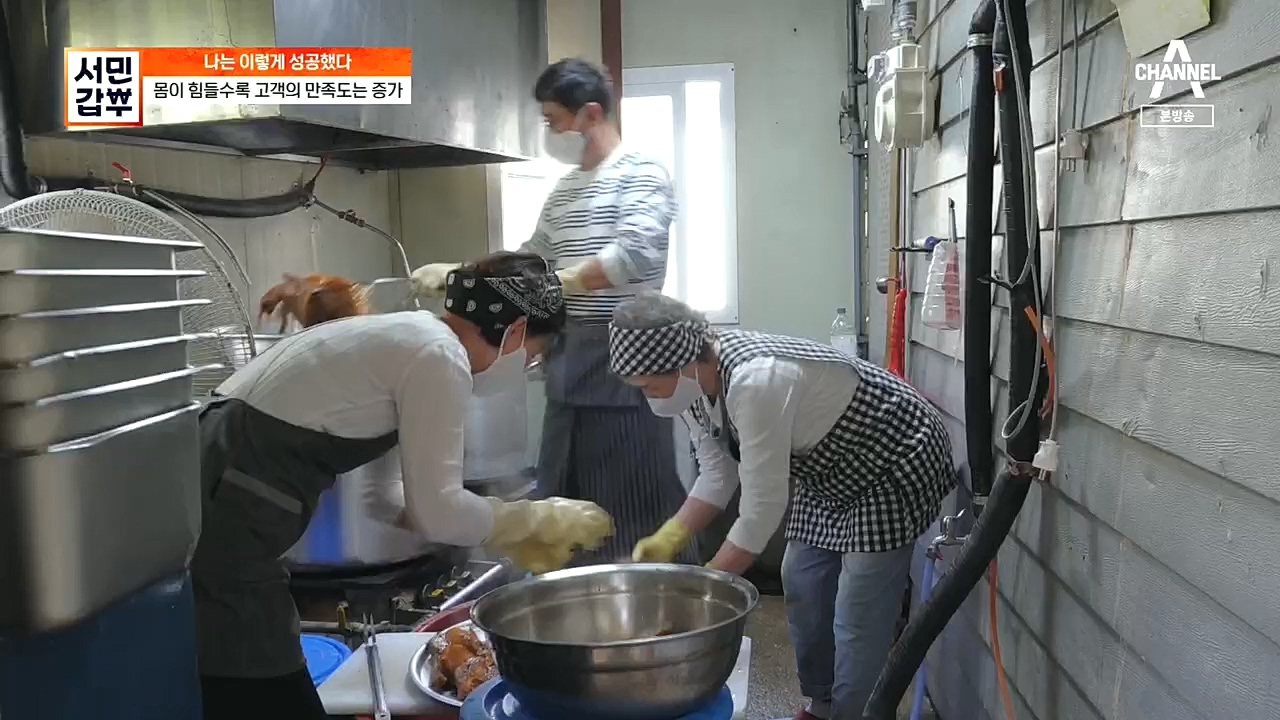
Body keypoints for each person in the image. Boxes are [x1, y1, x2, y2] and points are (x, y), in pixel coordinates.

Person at [192, 251, 614, 720]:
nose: (528, 365)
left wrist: (497, 532)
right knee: (257, 673)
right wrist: (533, 519)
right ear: (515, 330)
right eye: (533, 356)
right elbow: (438, 512)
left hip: (218, 473)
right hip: (234, 493)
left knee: (232, 667)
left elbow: (385, 498)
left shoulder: (412, 338)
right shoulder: (440, 357)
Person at [609, 292, 954, 720]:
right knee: (802, 579)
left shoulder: (754, 383)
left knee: (857, 612)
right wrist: (670, 535)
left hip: (892, 455)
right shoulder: (695, 388)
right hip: (828, 468)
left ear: (680, 361)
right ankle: (823, 705)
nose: (649, 398)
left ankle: (854, 714)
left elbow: (760, 513)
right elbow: (718, 472)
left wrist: (703, 591)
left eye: (648, 386)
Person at [411, 58, 695, 564]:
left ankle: (655, 603)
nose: (550, 132)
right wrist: (466, 273)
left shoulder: (642, 172)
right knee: (565, 502)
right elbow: (533, 258)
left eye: (553, 120)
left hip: (626, 362)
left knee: (631, 506)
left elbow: (636, 254)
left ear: (590, 114)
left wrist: (563, 281)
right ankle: (576, 602)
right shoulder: (564, 191)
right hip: (569, 364)